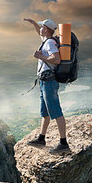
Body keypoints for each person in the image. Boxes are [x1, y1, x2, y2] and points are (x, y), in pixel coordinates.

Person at [23, 18, 70, 153]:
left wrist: (40, 57)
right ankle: (41, 138)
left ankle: (63, 143)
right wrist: (33, 24)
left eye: (43, 27)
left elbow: (56, 59)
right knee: (45, 113)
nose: (41, 29)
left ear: (47, 30)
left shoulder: (49, 43)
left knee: (56, 112)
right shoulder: (46, 40)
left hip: (49, 82)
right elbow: (40, 32)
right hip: (44, 81)